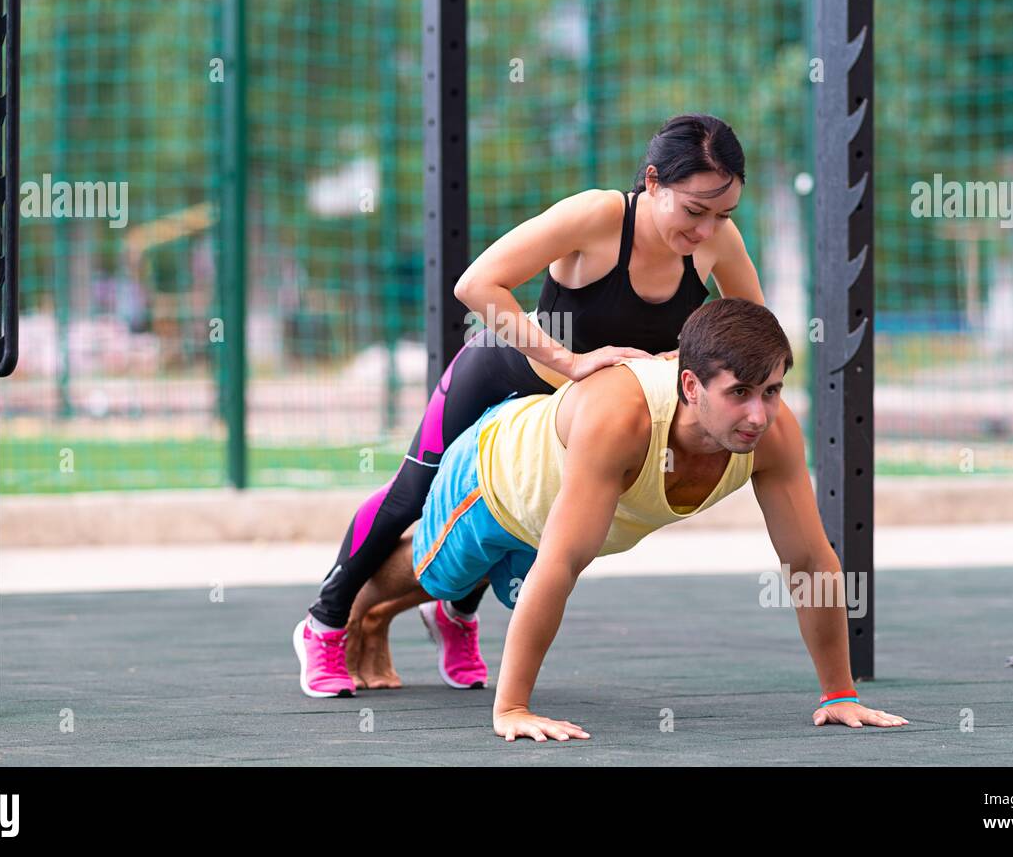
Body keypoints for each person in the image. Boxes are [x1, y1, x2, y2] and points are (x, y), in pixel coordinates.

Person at [295, 113, 768, 697]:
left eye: (724, 214)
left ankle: (454, 616)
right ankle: (323, 624)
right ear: (652, 182)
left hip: (572, 410)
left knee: (519, 516)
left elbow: (752, 335)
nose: (707, 229)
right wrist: (571, 362)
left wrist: (686, 369)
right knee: (413, 496)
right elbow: (476, 284)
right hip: (506, 371)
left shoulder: (717, 242)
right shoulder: (596, 216)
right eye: (694, 211)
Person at [331, 298, 909, 740]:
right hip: (493, 482)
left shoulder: (773, 435)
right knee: (437, 577)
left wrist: (839, 692)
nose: (759, 414)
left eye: (774, 390)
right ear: (691, 385)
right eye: (741, 393)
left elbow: (809, 560)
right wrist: (512, 709)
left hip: (557, 515)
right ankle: (359, 614)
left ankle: (444, 618)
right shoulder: (624, 417)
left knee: (502, 583)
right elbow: (562, 563)